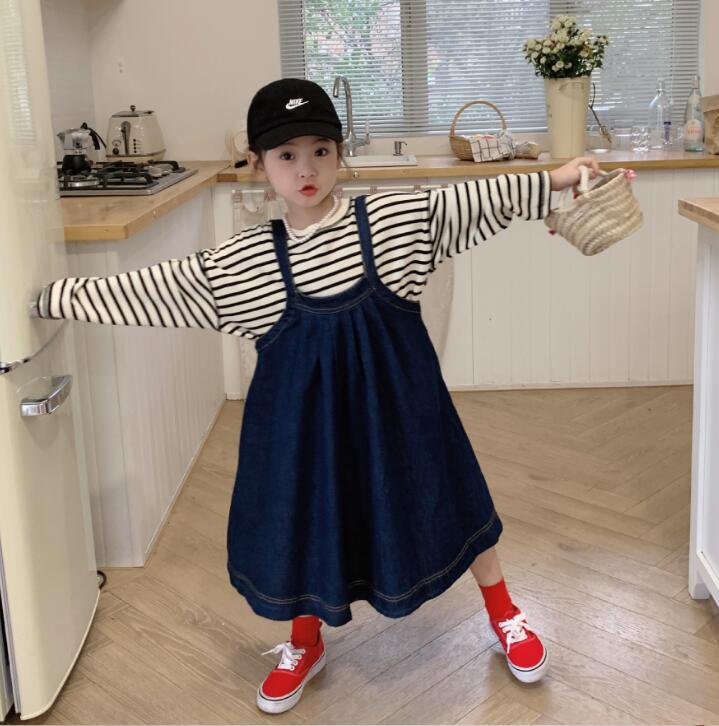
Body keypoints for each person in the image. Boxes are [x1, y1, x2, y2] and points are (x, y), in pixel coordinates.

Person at [34, 77, 601, 715]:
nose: (305, 169)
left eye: (320, 151)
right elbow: (156, 287)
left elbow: (467, 201)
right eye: (286, 155)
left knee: (453, 496)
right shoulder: (245, 262)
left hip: (402, 415)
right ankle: (305, 642)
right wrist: (47, 298)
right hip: (305, 432)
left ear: (339, 153)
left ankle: (504, 612)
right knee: (305, 520)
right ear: (258, 164)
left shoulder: (391, 223)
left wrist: (557, 179)